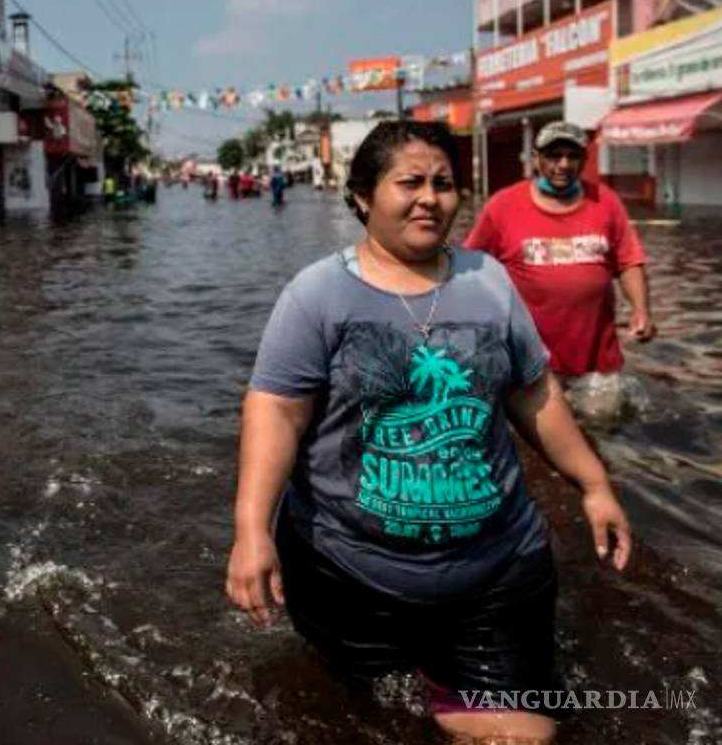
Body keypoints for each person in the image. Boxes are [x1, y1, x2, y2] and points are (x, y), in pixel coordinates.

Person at [226, 120, 631, 744]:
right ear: (362, 196)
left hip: (499, 567)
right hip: (347, 572)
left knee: (523, 737)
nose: (430, 198)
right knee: (367, 719)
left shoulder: (488, 281)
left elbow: (533, 392)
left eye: (442, 183)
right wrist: (252, 530)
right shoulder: (317, 295)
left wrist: (593, 483)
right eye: (408, 182)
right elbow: (276, 410)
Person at [465, 122, 655, 417]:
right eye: (554, 155)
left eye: (572, 156)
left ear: (584, 160)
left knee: (599, 440)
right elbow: (469, 267)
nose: (563, 164)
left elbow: (629, 261)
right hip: (527, 364)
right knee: (532, 449)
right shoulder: (503, 206)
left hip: (596, 364)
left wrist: (641, 311)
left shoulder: (606, 202)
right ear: (536, 158)